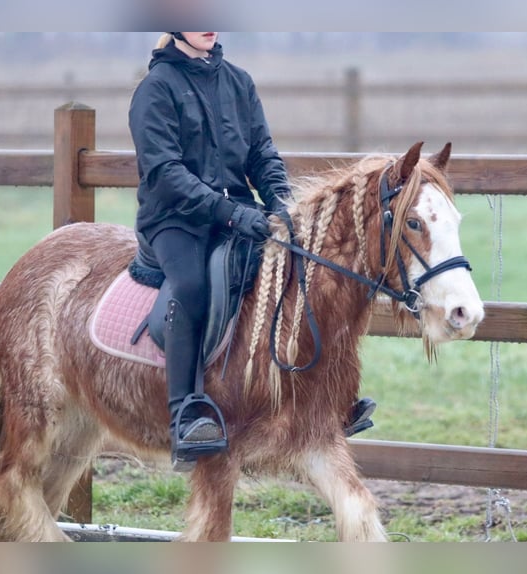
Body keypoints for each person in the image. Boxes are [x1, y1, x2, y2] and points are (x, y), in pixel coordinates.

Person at [129, 32, 375, 471]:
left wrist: (280, 200)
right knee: (190, 286)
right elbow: (165, 173)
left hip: (238, 212)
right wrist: (229, 212)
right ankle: (185, 413)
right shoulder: (156, 88)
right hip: (174, 220)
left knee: (305, 272)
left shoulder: (238, 82)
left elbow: (262, 153)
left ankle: (331, 399)